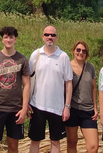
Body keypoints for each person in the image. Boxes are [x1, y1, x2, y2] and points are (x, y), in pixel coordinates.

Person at [0, 26, 31, 153]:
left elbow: (27, 84)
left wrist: (24, 108)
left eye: (11, 37)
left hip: (15, 109)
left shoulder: (22, 59)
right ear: (2, 39)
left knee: (13, 146)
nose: (8, 40)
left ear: (15, 39)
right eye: (6, 37)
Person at [28, 25, 73, 153]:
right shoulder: (36, 55)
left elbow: (69, 83)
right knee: (35, 140)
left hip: (57, 106)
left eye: (52, 35)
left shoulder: (63, 56)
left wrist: (67, 107)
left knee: (55, 141)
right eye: (47, 35)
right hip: (37, 105)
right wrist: (25, 103)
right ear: (42, 37)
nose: (50, 37)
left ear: (57, 38)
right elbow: (27, 80)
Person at [65, 40, 99, 153]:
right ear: (73, 51)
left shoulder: (90, 67)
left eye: (84, 51)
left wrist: (95, 107)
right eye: (78, 50)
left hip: (88, 111)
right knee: (72, 142)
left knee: (93, 146)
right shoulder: (67, 66)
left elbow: (94, 88)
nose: (81, 53)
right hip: (73, 109)